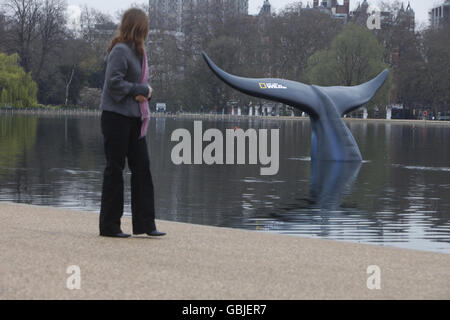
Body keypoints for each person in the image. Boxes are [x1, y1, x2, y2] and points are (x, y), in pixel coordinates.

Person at [98, 8, 165, 238]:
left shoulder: (139, 53)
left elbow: (140, 86)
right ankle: (109, 226)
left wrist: (146, 92)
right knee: (114, 170)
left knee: (142, 168)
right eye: (145, 28)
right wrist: (139, 90)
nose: (147, 32)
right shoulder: (120, 50)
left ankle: (146, 224)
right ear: (138, 28)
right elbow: (113, 82)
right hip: (115, 116)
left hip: (136, 118)